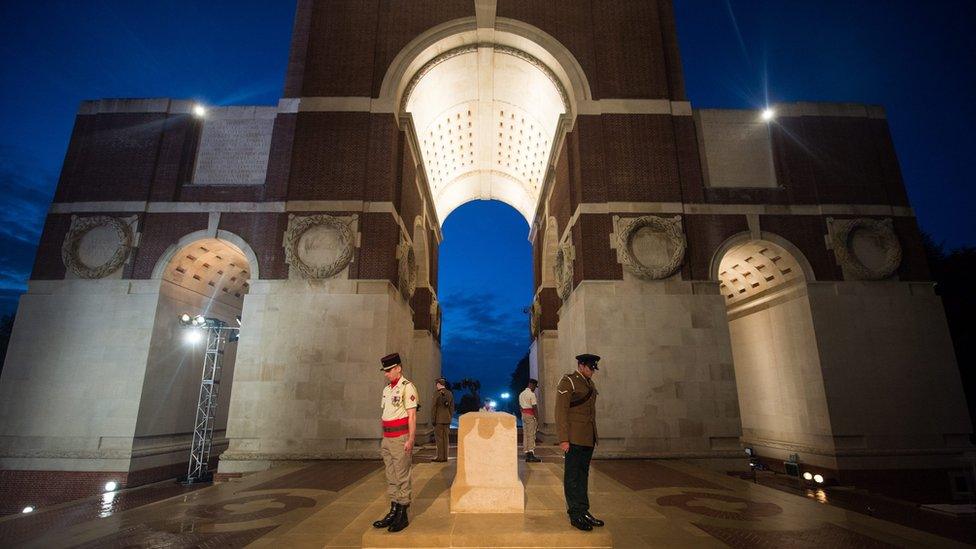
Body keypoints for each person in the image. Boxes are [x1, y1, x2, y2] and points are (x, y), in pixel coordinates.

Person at [555, 353, 604, 532]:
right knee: (572, 477)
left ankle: (584, 511)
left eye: (594, 368)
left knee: (583, 475)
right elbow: (561, 411)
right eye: (590, 368)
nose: (592, 371)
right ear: (581, 365)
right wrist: (563, 439)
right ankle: (575, 514)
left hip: (587, 437)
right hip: (574, 438)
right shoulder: (569, 381)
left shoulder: (589, 383)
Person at [372, 353, 418, 532]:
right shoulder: (386, 390)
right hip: (387, 438)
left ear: (398, 368)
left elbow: (412, 415)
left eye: (389, 370)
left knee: (402, 476)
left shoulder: (407, 387)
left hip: (401, 439)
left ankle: (403, 514)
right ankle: (393, 510)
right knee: (391, 476)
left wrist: (411, 439)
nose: (386, 374)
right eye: (384, 371)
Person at [430, 377, 454, 462]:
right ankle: (445, 457)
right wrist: (450, 417)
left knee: (439, 439)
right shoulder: (450, 393)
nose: (436, 385)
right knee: (446, 438)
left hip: (438, 419)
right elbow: (452, 407)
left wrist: (433, 419)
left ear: (439, 384)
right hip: (447, 419)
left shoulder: (436, 393)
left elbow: (434, 407)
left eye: (436, 384)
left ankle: (440, 457)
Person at [519, 378, 542, 462]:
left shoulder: (521, 394)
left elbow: (520, 407)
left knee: (525, 434)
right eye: (535, 387)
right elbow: (534, 407)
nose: (535, 388)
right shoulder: (531, 394)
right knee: (531, 434)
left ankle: (527, 453)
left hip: (523, 415)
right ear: (532, 385)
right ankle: (531, 454)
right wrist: (537, 418)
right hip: (530, 415)